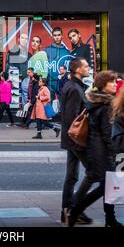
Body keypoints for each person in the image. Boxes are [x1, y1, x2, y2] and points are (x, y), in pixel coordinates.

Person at [67, 71, 123, 227]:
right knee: (107, 187)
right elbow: (107, 134)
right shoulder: (106, 105)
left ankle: (109, 219)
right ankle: (76, 210)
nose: (114, 84)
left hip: (95, 150)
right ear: (103, 85)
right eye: (111, 82)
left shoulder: (96, 101)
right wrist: (114, 152)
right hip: (102, 153)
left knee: (108, 187)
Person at [60, 57, 93, 225]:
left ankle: (67, 209)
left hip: (71, 138)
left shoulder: (73, 86)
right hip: (75, 138)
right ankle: (74, 208)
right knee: (94, 171)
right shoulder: (74, 88)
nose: (89, 68)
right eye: (86, 66)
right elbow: (73, 118)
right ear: (78, 70)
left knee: (72, 175)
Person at [44, 27, 71, 100]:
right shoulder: (46, 50)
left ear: (62, 36)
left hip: (62, 82)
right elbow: (43, 66)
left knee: (63, 105)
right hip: (50, 82)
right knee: (48, 105)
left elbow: (68, 69)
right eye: (55, 35)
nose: (57, 37)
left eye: (59, 35)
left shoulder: (67, 52)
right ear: (52, 36)